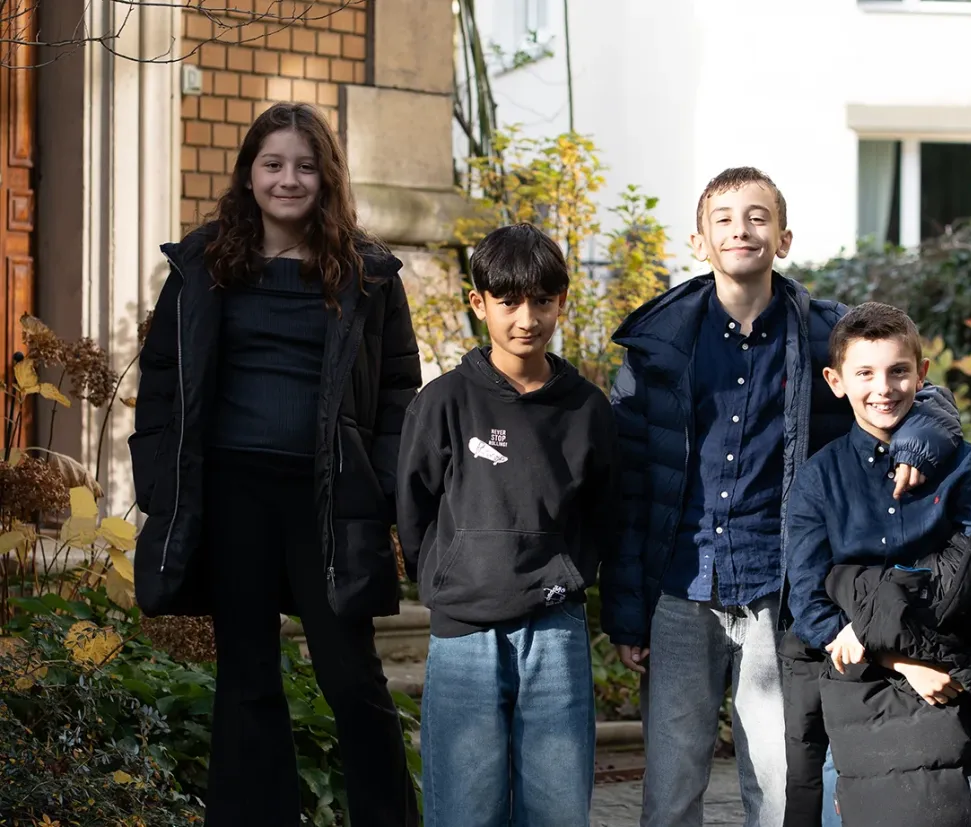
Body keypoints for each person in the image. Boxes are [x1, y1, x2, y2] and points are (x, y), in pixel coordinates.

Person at [602, 166, 964, 827]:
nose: (741, 229)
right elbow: (632, 481)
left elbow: (922, 394)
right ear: (700, 241)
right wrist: (627, 613)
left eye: (758, 216)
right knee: (671, 787)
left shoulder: (825, 332)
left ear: (785, 237)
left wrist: (917, 442)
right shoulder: (658, 345)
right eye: (724, 219)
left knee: (779, 783)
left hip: (780, 593)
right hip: (683, 590)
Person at [130, 102, 420, 827]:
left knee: (351, 677)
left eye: (305, 165)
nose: (288, 179)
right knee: (247, 678)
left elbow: (398, 392)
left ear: (326, 177)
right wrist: (159, 482)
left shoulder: (370, 275)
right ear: (249, 174)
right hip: (232, 496)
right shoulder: (202, 267)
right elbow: (162, 379)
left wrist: (379, 487)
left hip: (329, 500)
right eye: (273, 164)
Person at [785, 301, 971, 827]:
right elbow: (808, 600)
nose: (884, 388)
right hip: (867, 674)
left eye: (899, 371)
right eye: (865, 374)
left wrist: (882, 620)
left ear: (921, 373)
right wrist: (898, 660)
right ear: (835, 381)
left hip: (958, 656)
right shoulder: (817, 479)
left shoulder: (964, 464)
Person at [396, 223, 620, 827]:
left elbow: (603, 510)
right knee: (465, 805)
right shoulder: (444, 402)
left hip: (555, 624)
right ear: (479, 304)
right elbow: (413, 506)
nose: (527, 318)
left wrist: (573, 570)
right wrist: (448, 577)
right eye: (509, 301)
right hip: (465, 630)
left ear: (561, 304)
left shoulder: (587, 409)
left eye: (543, 301)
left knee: (555, 804)